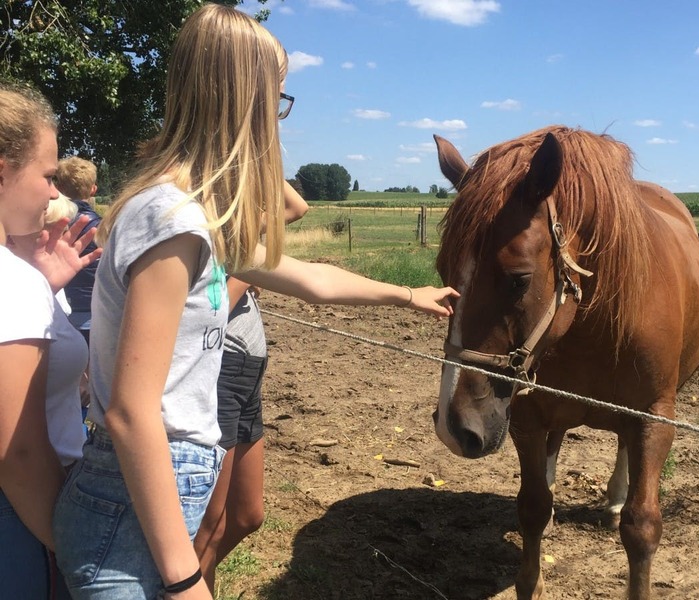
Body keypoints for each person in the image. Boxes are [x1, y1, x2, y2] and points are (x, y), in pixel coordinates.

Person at [52, 5, 458, 600]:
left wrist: (405, 294)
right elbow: (133, 413)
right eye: (278, 99)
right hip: (132, 506)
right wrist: (185, 576)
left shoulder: (196, 219)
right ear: (244, 99)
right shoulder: (175, 222)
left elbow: (307, 277)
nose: (279, 118)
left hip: (145, 496)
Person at [0, 83, 101, 599]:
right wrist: (73, 546)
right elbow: (16, 453)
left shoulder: (21, 279)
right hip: (24, 518)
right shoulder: (9, 283)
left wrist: (43, 286)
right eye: (47, 175)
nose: (54, 194)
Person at [194, 182, 308, 590]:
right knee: (209, 524)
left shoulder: (236, 234)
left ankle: (182, 581)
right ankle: (187, 585)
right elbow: (210, 310)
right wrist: (242, 277)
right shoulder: (200, 232)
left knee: (247, 515)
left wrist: (261, 154)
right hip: (223, 368)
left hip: (248, 370)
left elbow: (297, 206)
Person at [55, 156, 102, 343]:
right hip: (95, 311)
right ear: (93, 189)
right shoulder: (105, 227)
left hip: (58, 312)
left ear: (59, 188)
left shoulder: (50, 223)